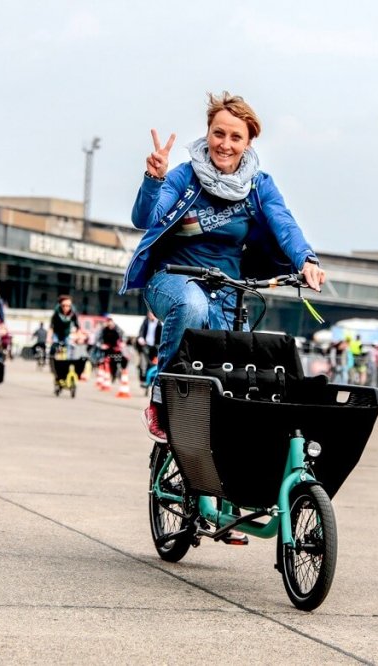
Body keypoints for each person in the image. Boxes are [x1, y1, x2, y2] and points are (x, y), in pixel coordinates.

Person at [120, 92, 325, 443]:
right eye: (218, 133)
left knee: (234, 364)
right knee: (193, 306)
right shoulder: (184, 177)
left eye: (235, 137)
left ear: (249, 142)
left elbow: (283, 223)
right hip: (173, 280)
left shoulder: (259, 186)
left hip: (229, 288)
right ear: (207, 133)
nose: (225, 145)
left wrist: (306, 259)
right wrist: (153, 180)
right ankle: (160, 401)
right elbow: (145, 218)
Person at [136, 310, 162, 383]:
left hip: (155, 346)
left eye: (152, 314)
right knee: (143, 362)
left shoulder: (159, 323)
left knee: (153, 363)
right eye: (149, 314)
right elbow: (141, 331)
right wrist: (140, 338)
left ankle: (153, 378)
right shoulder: (145, 321)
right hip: (146, 345)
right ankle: (143, 379)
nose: (150, 316)